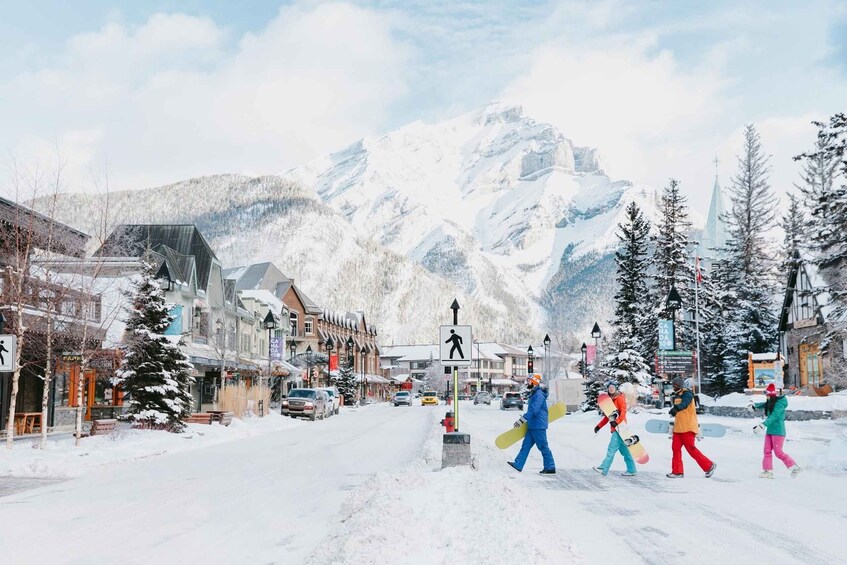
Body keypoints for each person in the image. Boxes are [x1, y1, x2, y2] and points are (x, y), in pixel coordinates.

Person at [667, 376, 716, 479]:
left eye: (676, 385)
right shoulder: (677, 395)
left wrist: (676, 408)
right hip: (678, 428)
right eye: (673, 385)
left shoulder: (687, 394)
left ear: (680, 386)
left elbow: (684, 404)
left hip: (688, 427)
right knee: (675, 449)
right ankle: (677, 472)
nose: (674, 387)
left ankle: (709, 466)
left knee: (691, 450)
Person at [749, 383, 801, 479]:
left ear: (771, 395)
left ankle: (794, 467)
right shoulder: (771, 402)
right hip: (770, 430)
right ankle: (767, 471)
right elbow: (763, 405)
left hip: (778, 431)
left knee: (778, 452)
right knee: (767, 451)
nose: (766, 397)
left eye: (767, 395)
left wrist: (762, 425)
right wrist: (754, 405)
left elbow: (774, 417)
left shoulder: (779, 404)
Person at [508, 374, 556, 474]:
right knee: (525, 445)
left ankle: (550, 467)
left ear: (534, 382)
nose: (527, 383)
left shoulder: (539, 395)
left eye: (529, 381)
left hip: (538, 425)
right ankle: (518, 464)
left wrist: (522, 420)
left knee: (543, 446)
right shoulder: (534, 393)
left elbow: (534, 410)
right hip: (532, 425)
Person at [592, 381, 637, 477]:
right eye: (609, 387)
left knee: (611, 449)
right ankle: (632, 470)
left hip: (620, 428)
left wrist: (617, 422)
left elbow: (623, 412)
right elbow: (607, 417)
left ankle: (604, 468)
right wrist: (599, 426)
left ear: (616, 388)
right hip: (618, 428)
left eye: (613, 387)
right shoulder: (609, 401)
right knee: (625, 451)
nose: (611, 388)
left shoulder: (620, 399)